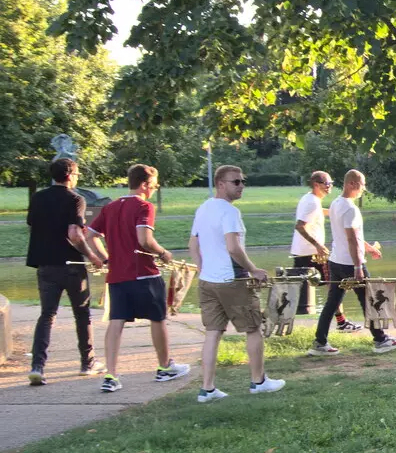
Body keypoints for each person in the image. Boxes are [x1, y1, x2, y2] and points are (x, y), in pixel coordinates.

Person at [83, 164, 189, 392]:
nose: (154, 189)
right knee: (158, 318)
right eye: (153, 185)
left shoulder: (110, 207)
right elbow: (144, 240)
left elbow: (90, 236)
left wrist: (106, 258)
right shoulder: (144, 206)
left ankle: (111, 375)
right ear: (144, 185)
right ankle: (164, 367)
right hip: (144, 274)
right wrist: (163, 253)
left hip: (117, 276)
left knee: (116, 321)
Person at [188, 165, 283, 401]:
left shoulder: (203, 209)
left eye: (243, 181)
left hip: (208, 281)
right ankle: (258, 381)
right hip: (233, 280)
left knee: (213, 332)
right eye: (236, 182)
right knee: (253, 329)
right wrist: (253, 269)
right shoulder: (229, 212)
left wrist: (203, 268)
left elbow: (193, 245)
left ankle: (207, 389)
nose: (241, 186)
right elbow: (233, 247)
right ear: (221, 184)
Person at [25, 157, 104, 385]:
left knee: (47, 315)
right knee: (81, 313)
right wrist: (93, 256)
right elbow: (75, 234)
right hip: (71, 266)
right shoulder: (76, 200)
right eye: (77, 174)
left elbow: (32, 224)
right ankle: (87, 363)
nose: (77, 177)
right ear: (69, 175)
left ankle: (38, 366)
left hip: (45, 265)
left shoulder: (37, 197)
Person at [310, 169, 396, 355]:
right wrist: (358, 266)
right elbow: (351, 239)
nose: (364, 189)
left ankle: (320, 342)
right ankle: (381, 339)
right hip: (350, 263)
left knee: (332, 303)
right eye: (362, 184)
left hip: (335, 261)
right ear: (352, 184)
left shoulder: (336, 204)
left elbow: (353, 236)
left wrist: (368, 247)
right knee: (369, 299)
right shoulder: (350, 209)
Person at [290, 171, 356, 331]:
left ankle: (275, 317)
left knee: (295, 291)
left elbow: (320, 212)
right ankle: (341, 323)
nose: (330, 187)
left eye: (331, 183)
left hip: (305, 252)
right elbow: (300, 226)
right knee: (335, 287)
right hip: (312, 254)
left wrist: (336, 212)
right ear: (316, 184)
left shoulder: (311, 199)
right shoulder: (311, 202)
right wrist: (318, 245)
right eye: (327, 184)